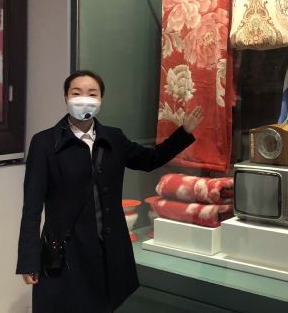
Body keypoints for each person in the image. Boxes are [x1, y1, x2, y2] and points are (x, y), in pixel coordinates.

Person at [16, 70, 203, 313]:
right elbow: (32, 206)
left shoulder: (113, 138)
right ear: (65, 97)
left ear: (101, 99)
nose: (85, 99)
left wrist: (183, 133)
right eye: (77, 93)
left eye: (92, 93)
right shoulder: (44, 142)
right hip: (67, 251)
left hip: (108, 248)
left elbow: (150, 159)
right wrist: (29, 259)